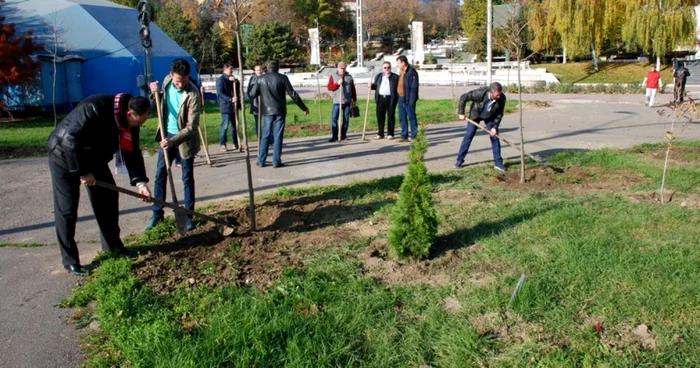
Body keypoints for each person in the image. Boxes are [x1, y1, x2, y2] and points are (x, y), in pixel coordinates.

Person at [47, 93, 152, 276]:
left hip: (94, 158)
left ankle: (113, 246)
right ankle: (70, 260)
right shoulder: (94, 108)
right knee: (67, 209)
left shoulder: (129, 121)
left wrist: (140, 182)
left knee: (108, 198)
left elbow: (132, 151)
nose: (139, 126)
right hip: (64, 156)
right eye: (139, 122)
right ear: (129, 114)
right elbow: (70, 139)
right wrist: (82, 172)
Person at [145, 58, 201, 231]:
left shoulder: (193, 94)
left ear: (188, 77)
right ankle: (157, 213)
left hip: (184, 140)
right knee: (160, 174)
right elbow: (160, 101)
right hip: (166, 134)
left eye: (183, 81)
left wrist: (173, 141)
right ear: (171, 75)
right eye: (177, 81)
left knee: (186, 178)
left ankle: (188, 216)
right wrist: (153, 93)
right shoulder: (167, 81)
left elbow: (192, 127)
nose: (179, 85)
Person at [249, 60, 309, 168]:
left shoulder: (260, 79)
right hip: (280, 111)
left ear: (267, 68)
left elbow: (252, 94)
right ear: (278, 68)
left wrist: (260, 90)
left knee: (266, 135)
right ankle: (276, 161)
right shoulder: (283, 78)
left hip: (267, 111)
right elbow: (293, 94)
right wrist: (303, 108)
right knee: (278, 136)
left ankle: (261, 160)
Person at [454, 82, 507, 172]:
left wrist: (495, 127)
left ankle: (498, 163)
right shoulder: (479, 93)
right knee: (468, 136)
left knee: (495, 137)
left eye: (500, 94)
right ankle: (459, 160)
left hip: (490, 116)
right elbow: (463, 97)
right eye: (497, 95)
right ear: (491, 92)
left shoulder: (502, 98)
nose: (499, 96)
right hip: (476, 115)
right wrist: (461, 112)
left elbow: (499, 114)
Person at [327, 61, 357, 142]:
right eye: (341, 68)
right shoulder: (333, 76)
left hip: (347, 101)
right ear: (338, 68)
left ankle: (344, 135)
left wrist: (354, 100)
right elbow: (330, 87)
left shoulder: (349, 77)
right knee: (334, 119)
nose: (342, 70)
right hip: (337, 101)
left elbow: (353, 89)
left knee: (346, 119)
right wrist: (337, 83)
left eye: (344, 68)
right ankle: (334, 136)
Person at [369, 61, 399, 139]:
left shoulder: (395, 77)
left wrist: (397, 98)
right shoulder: (378, 76)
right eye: (385, 67)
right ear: (382, 68)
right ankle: (380, 133)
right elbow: (375, 86)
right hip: (380, 98)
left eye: (388, 67)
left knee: (391, 116)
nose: (387, 69)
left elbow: (398, 89)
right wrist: (371, 86)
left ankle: (390, 133)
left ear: (390, 68)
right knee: (380, 116)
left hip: (391, 98)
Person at [216, 63, 241, 152]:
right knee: (225, 126)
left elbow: (238, 87)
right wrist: (230, 99)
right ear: (225, 69)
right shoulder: (220, 80)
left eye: (232, 69)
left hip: (234, 107)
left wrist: (235, 81)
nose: (232, 71)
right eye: (230, 69)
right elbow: (220, 93)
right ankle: (223, 144)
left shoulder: (233, 79)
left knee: (235, 126)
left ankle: (235, 143)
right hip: (226, 107)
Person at [396, 55, 419, 142]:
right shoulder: (402, 72)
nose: (397, 65)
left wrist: (411, 101)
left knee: (411, 117)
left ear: (403, 62)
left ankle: (414, 136)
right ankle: (404, 135)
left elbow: (414, 88)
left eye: (398, 63)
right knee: (402, 117)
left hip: (408, 98)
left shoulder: (411, 72)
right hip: (401, 97)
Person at [247, 64, 265, 138]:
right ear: (255, 71)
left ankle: (269, 139)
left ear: (262, 70)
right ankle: (260, 138)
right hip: (256, 103)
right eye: (257, 70)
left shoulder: (265, 77)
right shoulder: (252, 79)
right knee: (258, 122)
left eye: (260, 69)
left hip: (265, 104)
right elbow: (249, 92)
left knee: (267, 122)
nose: (259, 71)